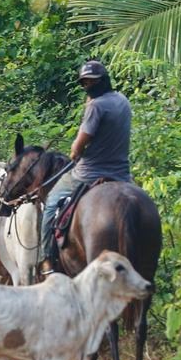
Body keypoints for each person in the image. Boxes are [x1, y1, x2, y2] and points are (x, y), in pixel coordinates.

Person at [40, 59, 133, 274]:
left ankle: (47, 260)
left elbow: (78, 148)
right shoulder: (122, 100)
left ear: (102, 82)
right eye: (84, 83)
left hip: (89, 173)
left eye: (90, 83)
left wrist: (74, 151)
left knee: (51, 204)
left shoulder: (96, 106)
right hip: (122, 174)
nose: (87, 87)